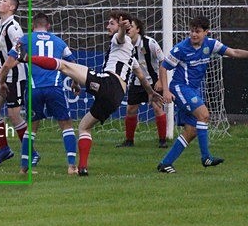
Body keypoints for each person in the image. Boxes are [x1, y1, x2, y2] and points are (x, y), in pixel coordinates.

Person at [26, 11, 157, 176]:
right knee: (84, 127)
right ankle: (82, 167)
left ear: (121, 25)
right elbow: (141, 76)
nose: (107, 26)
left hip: (109, 83)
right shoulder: (130, 54)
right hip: (116, 97)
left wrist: (122, 30)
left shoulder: (121, 41)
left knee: (64, 66)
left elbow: (121, 37)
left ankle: (27, 58)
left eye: (111, 23)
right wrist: (150, 93)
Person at [157, 16, 248, 173]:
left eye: (198, 32)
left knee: (191, 131)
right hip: (180, 87)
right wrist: (166, 90)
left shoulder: (211, 45)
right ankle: (206, 157)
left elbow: (233, 52)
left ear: (206, 32)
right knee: (204, 115)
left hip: (193, 90)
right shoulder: (181, 48)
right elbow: (163, 67)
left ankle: (165, 163)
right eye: (192, 31)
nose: (193, 34)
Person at [0, 12, 78, 175]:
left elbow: (7, 65)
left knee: (32, 128)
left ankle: (23, 167)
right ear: (48, 26)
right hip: (54, 88)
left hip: (34, 89)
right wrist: (76, 83)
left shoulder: (25, 40)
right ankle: (71, 166)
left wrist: (1, 82)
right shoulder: (59, 42)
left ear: (32, 26)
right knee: (66, 124)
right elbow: (72, 65)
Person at [0, 0, 28, 166]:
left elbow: (20, 52)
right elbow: (0, 51)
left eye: (3, 0)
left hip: (15, 73)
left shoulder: (13, 27)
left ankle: (30, 152)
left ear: (11, 7)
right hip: (2, 73)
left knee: (14, 115)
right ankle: (4, 150)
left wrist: (2, 69)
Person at [116, 18, 168, 148]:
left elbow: (163, 61)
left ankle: (162, 141)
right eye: (126, 27)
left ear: (138, 29)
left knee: (157, 107)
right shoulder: (124, 44)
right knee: (131, 109)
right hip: (137, 81)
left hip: (153, 82)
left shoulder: (150, 43)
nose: (128, 29)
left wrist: (160, 81)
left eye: (131, 27)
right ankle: (129, 141)